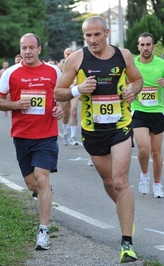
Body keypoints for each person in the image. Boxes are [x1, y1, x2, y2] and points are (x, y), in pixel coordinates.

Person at [54, 16, 143, 263]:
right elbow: (58, 91)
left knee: (120, 181)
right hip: (92, 131)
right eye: (88, 36)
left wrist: (132, 91)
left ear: (106, 33)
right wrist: (77, 90)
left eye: (97, 35)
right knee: (108, 182)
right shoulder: (77, 59)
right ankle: (127, 212)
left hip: (120, 126)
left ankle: (127, 243)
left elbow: (137, 80)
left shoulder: (123, 55)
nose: (92, 40)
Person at [0, 33, 65, 251]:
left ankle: (43, 231)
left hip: (46, 135)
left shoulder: (54, 71)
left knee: (42, 179)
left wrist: (61, 108)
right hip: (22, 136)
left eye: (31, 47)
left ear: (39, 49)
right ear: (20, 50)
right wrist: (16, 105)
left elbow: (62, 95)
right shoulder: (11, 73)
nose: (27, 52)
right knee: (32, 184)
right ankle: (44, 192)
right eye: (24, 48)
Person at [132, 32, 164, 198]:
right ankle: (144, 175)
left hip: (157, 112)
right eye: (142, 45)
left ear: (153, 46)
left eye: (148, 45)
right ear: (138, 47)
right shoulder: (133, 64)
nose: (145, 48)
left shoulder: (162, 64)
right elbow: (122, 84)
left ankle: (157, 184)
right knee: (144, 150)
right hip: (138, 111)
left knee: (156, 152)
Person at [57, 48, 80, 146]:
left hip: (74, 89)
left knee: (74, 111)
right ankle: (66, 133)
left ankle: (73, 137)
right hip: (65, 90)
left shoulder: (77, 62)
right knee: (65, 114)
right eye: (67, 54)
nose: (69, 55)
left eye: (71, 53)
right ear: (64, 54)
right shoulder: (61, 64)